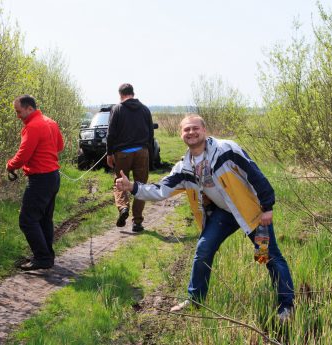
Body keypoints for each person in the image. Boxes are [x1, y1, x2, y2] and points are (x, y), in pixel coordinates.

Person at [115, 115, 295, 321]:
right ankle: (195, 300)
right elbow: (161, 189)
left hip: (252, 212)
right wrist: (132, 187)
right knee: (203, 249)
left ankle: (286, 306)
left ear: (204, 130)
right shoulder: (185, 167)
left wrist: (267, 206)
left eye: (195, 128)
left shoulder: (226, 150)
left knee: (267, 256)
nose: (191, 133)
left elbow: (254, 173)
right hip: (223, 214)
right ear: (181, 135)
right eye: (186, 130)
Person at [6, 94, 64, 271]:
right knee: (44, 219)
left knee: (27, 220)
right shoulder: (50, 122)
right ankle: (47, 256)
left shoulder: (32, 127)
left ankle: (42, 257)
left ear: (29, 108)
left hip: (40, 179)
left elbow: (23, 155)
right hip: (53, 177)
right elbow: (60, 146)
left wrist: (10, 165)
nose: (18, 116)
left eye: (19, 111)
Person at [106, 83, 154, 232]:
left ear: (120, 95)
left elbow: (111, 134)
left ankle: (123, 207)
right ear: (133, 93)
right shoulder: (145, 109)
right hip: (142, 151)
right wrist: (150, 156)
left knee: (119, 182)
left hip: (123, 153)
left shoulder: (117, 109)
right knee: (141, 185)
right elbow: (151, 135)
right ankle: (137, 222)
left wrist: (109, 153)